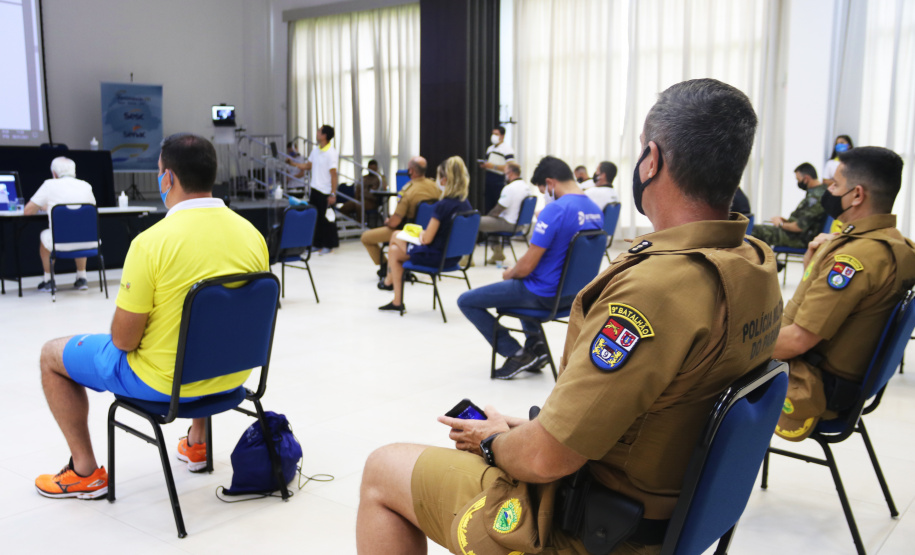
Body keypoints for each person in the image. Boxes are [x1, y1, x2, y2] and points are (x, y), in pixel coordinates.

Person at [356, 78, 782, 555]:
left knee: (381, 470)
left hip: (588, 529)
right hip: (666, 514)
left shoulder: (656, 290)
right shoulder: (755, 264)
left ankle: (517, 356)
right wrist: (525, 429)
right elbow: (660, 405)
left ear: (652, 160)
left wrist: (494, 442)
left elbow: (544, 459)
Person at [33, 133, 269, 499]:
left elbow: (124, 341)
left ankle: (83, 472)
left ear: (168, 178)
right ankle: (197, 443)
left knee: (52, 354)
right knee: (200, 332)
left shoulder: (150, 243)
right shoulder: (253, 236)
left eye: (161, 172)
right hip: (233, 376)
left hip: (163, 385)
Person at [773, 146, 915, 441]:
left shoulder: (853, 259)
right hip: (847, 383)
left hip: (812, 388)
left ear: (857, 195)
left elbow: (798, 339)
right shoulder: (898, 246)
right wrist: (815, 268)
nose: (830, 191)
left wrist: (734, 351)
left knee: (705, 367)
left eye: (836, 185)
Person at [457, 156, 603, 379]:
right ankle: (536, 347)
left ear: (550, 183)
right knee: (522, 282)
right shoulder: (595, 210)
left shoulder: (556, 210)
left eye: (543, 190)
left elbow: (525, 268)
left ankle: (516, 353)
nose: (544, 195)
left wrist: (509, 273)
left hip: (543, 294)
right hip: (575, 296)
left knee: (467, 300)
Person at [378, 157, 473, 314]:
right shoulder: (465, 203)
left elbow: (427, 239)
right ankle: (393, 293)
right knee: (395, 249)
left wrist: (422, 234)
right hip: (453, 257)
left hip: (436, 257)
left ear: (444, 179)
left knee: (395, 238)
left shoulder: (443, 206)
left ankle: (392, 290)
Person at [360, 156, 439, 284]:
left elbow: (395, 222)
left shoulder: (408, 190)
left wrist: (388, 221)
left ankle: (387, 267)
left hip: (405, 231)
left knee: (366, 237)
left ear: (411, 171)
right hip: (428, 231)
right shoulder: (435, 186)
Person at [23, 157, 97, 291]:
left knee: (45, 235)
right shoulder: (86, 185)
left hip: (59, 243)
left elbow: (28, 211)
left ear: (54, 174)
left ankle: (48, 280)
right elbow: (90, 208)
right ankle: (82, 277)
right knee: (78, 232)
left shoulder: (49, 185)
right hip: (90, 241)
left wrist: (44, 207)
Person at [751, 162, 827, 249]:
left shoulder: (816, 197)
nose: (798, 182)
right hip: (798, 235)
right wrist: (786, 222)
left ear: (806, 179)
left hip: (800, 239)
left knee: (753, 230)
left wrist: (781, 224)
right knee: (757, 230)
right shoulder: (816, 193)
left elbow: (799, 227)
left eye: (798, 179)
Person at [292, 125, 339, 254]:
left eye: (319, 131)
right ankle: (316, 244)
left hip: (326, 191)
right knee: (315, 219)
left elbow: (333, 175)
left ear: (324, 135)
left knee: (327, 221)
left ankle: (328, 245)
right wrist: (293, 163)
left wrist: (333, 193)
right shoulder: (315, 151)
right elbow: (308, 166)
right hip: (315, 189)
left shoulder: (331, 153)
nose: (317, 133)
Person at [479, 161, 532, 266]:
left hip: (509, 224)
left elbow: (497, 210)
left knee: (475, 221)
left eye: (505, 172)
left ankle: (467, 258)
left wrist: (486, 218)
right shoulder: (526, 187)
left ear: (510, 173)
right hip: (520, 225)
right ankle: (497, 253)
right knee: (490, 222)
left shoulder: (510, 188)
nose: (504, 175)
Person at [479, 125, 515, 213]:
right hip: (489, 178)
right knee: (488, 204)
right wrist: (485, 165)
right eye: (493, 134)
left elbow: (510, 166)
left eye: (496, 134)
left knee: (497, 204)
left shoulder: (507, 149)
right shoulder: (490, 148)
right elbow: (488, 162)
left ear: (502, 136)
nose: (493, 136)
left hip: (499, 180)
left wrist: (493, 166)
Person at [340, 159, 383, 224]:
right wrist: (356, 199)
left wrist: (379, 175)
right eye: (370, 169)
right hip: (360, 200)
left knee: (359, 206)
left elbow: (384, 187)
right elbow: (357, 189)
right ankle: (351, 225)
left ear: (376, 168)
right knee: (345, 207)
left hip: (371, 201)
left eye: (373, 169)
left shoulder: (379, 178)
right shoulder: (363, 178)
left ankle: (359, 225)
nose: (372, 171)